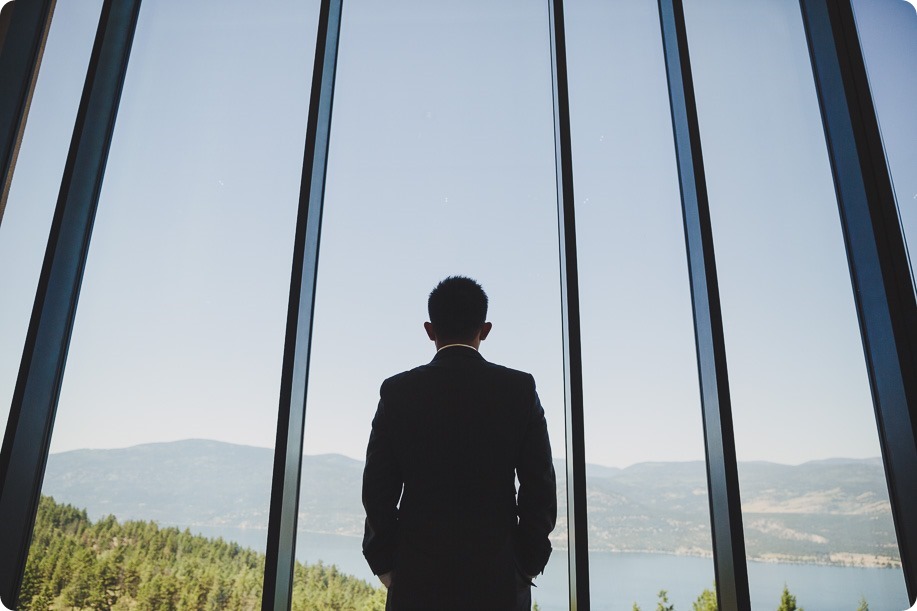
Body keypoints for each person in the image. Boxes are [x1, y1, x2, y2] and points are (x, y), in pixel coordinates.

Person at [362, 276, 557, 610]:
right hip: (498, 581)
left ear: (429, 329)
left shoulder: (397, 393)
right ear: (485, 329)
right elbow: (539, 486)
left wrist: (385, 565)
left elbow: (377, 490)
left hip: (416, 580)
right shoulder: (519, 390)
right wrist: (525, 564)